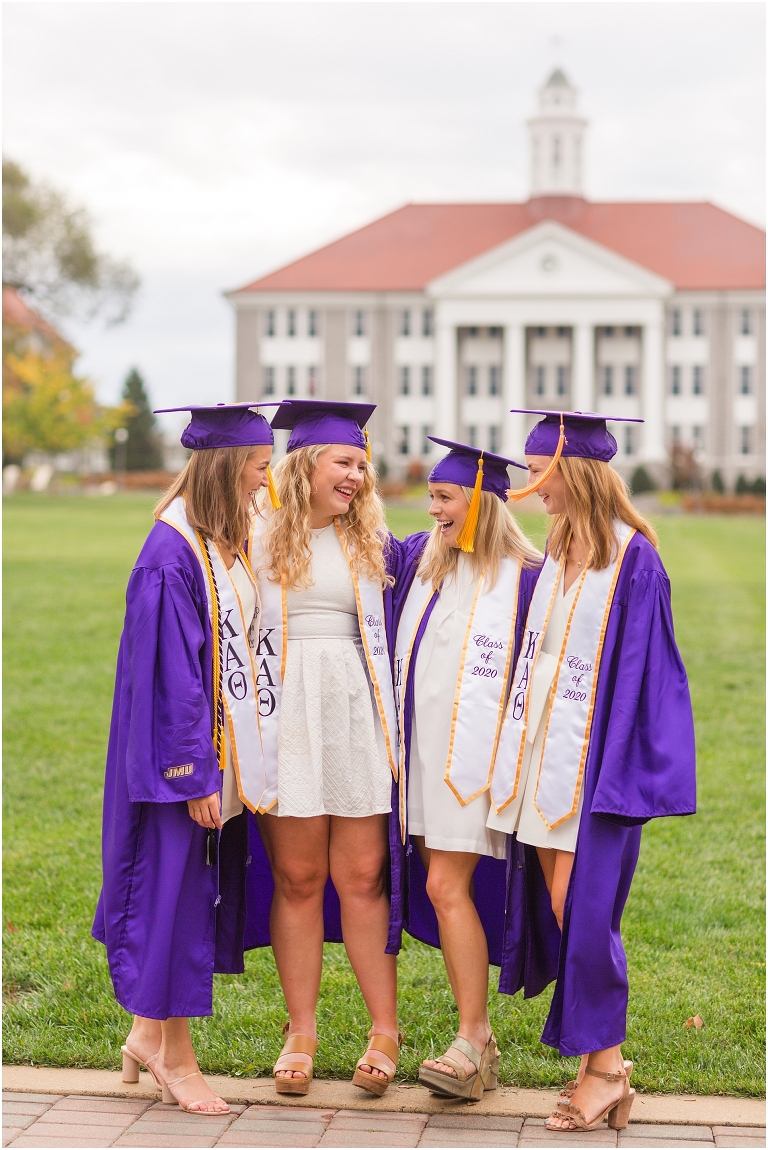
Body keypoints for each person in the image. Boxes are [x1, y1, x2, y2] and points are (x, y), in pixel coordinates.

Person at [488, 410, 696, 1133]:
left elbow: (648, 679)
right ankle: (599, 1066)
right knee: (562, 907)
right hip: (542, 756)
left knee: (584, 909)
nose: (533, 487)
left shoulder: (633, 557)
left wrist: (619, 773)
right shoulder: (560, 545)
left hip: (594, 763)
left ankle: (606, 1069)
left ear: (571, 472)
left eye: (540, 473)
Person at [92, 403, 280, 1115]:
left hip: (216, 750)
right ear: (229, 468)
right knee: (171, 897)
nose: (267, 483)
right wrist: (191, 773)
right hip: (174, 764)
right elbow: (168, 679)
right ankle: (177, 1060)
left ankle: (146, 1034)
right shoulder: (171, 554)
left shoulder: (216, 541)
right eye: (261, 468)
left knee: (189, 896)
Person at [245, 400, 402, 1097]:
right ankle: (300, 1032)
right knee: (299, 878)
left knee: (363, 875)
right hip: (284, 714)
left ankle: (384, 1030)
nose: (358, 477)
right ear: (305, 464)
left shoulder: (370, 537)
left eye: (363, 465)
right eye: (345, 463)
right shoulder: (253, 533)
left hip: (353, 709)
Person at [386, 439, 541, 1100]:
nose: (434, 510)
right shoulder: (426, 564)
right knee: (444, 887)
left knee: (448, 885)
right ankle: (475, 1039)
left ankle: (473, 1040)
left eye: (446, 499)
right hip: (424, 758)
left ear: (481, 500)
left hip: (479, 763)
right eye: (432, 499)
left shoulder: (529, 577)